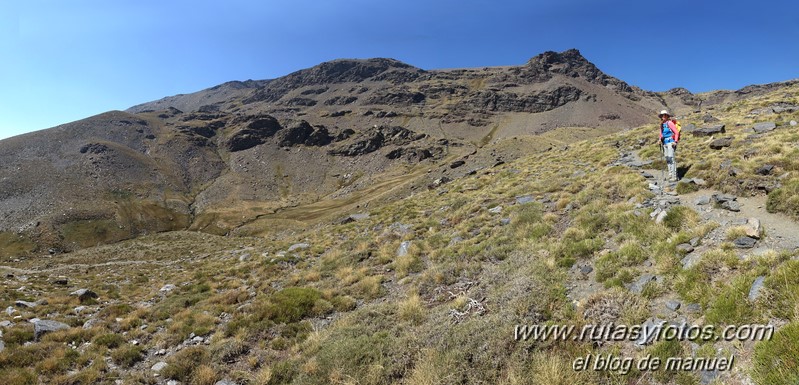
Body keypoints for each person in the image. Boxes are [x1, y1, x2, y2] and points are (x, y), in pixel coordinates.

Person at [658, 109, 680, 181]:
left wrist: (675, 141)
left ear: (667, 116)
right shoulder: (662, 124)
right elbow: (661, 134)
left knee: (671, 158)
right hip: (664, 143)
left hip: (671, 142)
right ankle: (670, 175)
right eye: (662, 116)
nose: (663, 117)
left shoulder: (669, 123)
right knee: (667, 159)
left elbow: (676, 132)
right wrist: (659, 140)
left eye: (664, 115)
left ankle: (674, 176)